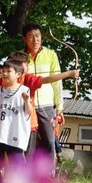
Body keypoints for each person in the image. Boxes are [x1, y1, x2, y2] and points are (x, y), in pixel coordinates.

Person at [22, 23, 63, 162]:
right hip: (27, 106)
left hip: (47, 105)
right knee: (28, 144)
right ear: (24, 39)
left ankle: (49, 176)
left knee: (50, 142)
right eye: (31, 36)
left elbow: (57, 82)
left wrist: (60, 107)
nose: (35, 40)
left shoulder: (51, 55)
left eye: (38, 36)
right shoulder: (20, 57)